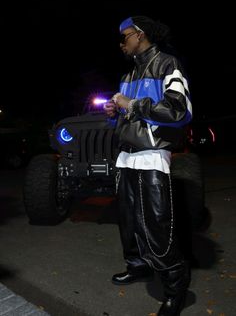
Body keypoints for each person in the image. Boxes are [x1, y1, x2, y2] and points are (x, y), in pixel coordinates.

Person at [104, 16, 193, 316]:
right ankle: (138, 266)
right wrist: (114, 111)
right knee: (128, 221)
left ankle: (175, 288)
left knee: (156, 225)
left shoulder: (168, 64)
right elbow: (125, 113)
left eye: (124, 36)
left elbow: (179, 110)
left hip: (152, 153)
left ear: (140, 35)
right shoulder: (128, 74)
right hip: (126, 154)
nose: (121, 43)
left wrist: (133, 105)